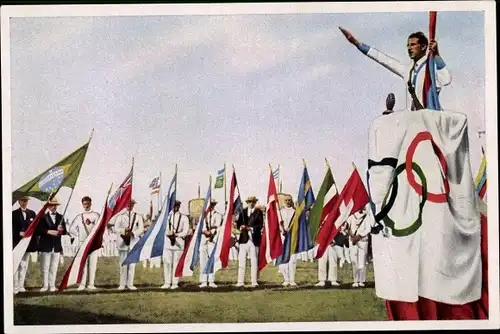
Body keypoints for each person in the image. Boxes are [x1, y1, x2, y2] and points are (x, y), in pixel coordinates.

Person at [339, 27, 451, 110]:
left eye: (412, 45)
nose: (409, 48)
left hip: (433, 120)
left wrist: (436, 55)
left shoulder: (430, 67)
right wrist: (356, 43)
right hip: (415, 121)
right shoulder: (408, 70)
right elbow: (382, 58)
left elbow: (446, 79)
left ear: (423, 46)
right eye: (408, 45)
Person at [69, 196, 101, 291]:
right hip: (82, 242)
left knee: (93, 263)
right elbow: (71, 229)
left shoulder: (96, 215)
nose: (86, 206)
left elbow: (100, 228)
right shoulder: (79, 217)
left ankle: (91, 283)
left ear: (91, 203)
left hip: (93, 243)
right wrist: (79, 235)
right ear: (82, 205)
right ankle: (82, 284)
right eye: (84, 204)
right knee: (83, 264)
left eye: (88, 204)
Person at [112, 199, 144, 290]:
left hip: (133, 242)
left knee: (132, 264)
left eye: (132, 204)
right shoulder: (120, 217)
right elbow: (116, 228)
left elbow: (141, 229)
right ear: (125, 205)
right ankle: (122, 284)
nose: (130, 206)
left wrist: (133, 233)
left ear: (134, 205)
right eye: (128, 204)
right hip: (123, 242)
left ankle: (130, 284)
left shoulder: (138, 216)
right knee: (123, 264)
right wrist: (124, 230)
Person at [36, 198, 67, 292]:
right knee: (45, 267)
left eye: (55, 205)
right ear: (48, 206)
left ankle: (52, 286)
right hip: (45, 246)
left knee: (54, 267)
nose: (54, 207)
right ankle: (45, 285)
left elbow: (65, 231)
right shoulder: (42, 217)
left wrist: (61, 230)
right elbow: (38, 231)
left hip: (56, 246)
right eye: (52, 205)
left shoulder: (61, 217)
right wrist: (49, 231)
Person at [235, 196, 264, 287]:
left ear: (255, 203)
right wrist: (241, 227)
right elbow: (238, 224)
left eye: (253, 202)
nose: (251, 203)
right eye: (250, 202)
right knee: (242, 261)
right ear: (247, 202)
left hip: (254, 239)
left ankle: (254, 281)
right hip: (244, 239)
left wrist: (250, 228)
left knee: (254, 261)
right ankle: (240, 281)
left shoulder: (258, 212)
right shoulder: (242, 212)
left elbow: (260, 225)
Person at [162, 200, 189, 290]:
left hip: (178, 243)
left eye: (177, 206)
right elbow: (163, 229)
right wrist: (168, 233)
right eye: (173, 206)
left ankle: (175, 283)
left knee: (176, 263)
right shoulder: (167, 217)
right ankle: (167, 282)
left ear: (179, 206)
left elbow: (185, 231)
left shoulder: (184, 218)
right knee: (167, 263)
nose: (175, 208)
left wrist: (176, 234)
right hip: (168, 243)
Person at [12, 196, 37, 294]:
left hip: (27, 244)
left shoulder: (32, 213)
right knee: (16, 264)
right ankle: (15, 286)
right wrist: (18, 233)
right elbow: (10, 228)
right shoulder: (13, 214)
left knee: (24, 264)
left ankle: (21, 286)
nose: (24, 202)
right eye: (22, 200)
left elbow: (34, 228)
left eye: (26, 201)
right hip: (16, 243)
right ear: (19, 201)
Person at [316, 221, 350, 287]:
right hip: (323, 242)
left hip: (333, 242)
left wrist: (334, 240)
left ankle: (333, 279)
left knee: (333, 260)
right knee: (322, 260)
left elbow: (338, 229)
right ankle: (322, 280)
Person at [199, 199, 223, 288]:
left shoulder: (218, 215)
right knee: (203, 260)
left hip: (212, 239)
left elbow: (218, 227)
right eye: (209, 204)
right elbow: (199, 227)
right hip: (203, 239)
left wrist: (211, 234)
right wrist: (204, 231)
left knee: (211, 260)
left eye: (212, 204)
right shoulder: (202, 215)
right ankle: (203, 280)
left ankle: (211, 280)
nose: (211, 206)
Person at [347, 207, 372, 288]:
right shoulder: (351, 216)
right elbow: (346, 228)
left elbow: (368, 229)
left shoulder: (366, 216)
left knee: (362, 261)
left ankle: (361, 280)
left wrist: (359, 236)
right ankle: (355, 280)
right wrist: (350, 234)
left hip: (363, 240)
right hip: (353, 242)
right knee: (354, 260)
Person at [278, 196, 298, 287]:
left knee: (293, 259)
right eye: (286, 200)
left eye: (289, 200)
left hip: (293, 237)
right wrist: (282, 230)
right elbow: (278, 224)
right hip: (283, 237)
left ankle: (292, 280)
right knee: (283, 260)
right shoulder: (281, 212)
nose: (288, 202)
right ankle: (286, 279)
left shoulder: (295, 212)